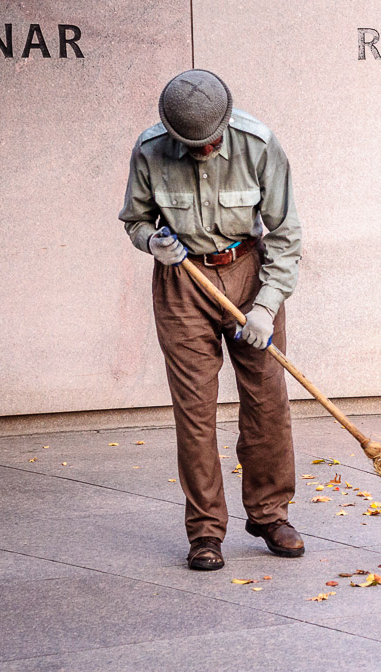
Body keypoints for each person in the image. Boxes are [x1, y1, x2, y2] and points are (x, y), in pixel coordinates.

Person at [119, 69, 304, 570]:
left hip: (249, 271)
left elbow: (286, 234)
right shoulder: (150, 148)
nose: (202, 151)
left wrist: (266, 306)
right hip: (183, 283)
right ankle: (205, 532)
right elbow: (135, 219)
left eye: (210, 142)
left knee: (267, 399)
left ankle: (269, 513)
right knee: (195, 410)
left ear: (225, 123)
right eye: (190, 144)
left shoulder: (260, 144)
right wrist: (151, 241)